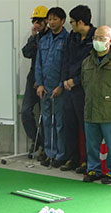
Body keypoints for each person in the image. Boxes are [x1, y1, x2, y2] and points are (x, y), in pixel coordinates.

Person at [61, 5, 96, 173]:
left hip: (85, 89)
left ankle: (89, 162)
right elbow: (66, 59)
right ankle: (72, 158)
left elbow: (92, 66)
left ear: (81, 22)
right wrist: (65, 81)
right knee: (69, 123)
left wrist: (75, 81)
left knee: (86, 127)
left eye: (72, 22)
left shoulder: (95, 38)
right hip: (69, 88)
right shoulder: (72, 37)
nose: (71, 25)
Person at [35, 7, 69, 168]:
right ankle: (49, 153)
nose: (51, 22)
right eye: (49, 19)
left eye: (55, 19)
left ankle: (61, 155)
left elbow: (67, 65)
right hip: (45, 88)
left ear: (62, 21)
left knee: (60, 123)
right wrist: (39, 83)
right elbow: (38, 64)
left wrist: (61, 84)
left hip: (60, 89)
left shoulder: (67, 39)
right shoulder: (44, 40)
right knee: (47, 121)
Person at [81, 25, 111, 184]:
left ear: (110, 41)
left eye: (102, 38)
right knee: (92, 144)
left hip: (110, 111)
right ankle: (93, 170)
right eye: (95, 38)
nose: (97, 41)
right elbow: (83, 83)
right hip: (90, 110)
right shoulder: (87, 61)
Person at [21, 5, 49, 160]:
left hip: (46, 80)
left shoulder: (52, 37)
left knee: (45, 116)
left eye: (39, 21)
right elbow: (26, 53)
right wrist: (33, 37)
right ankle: (37, 139)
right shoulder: (36, 38)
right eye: (34, 21)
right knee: (25, 111)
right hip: (32, 79)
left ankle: (46, 147)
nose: (36, 24)